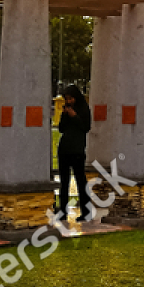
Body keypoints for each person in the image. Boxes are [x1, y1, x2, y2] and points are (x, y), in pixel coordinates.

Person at [55, 84, 93, 223]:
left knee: (80, 181)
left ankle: (86, 212)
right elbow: (61, 129)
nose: (69, 101)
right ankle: (63, 212)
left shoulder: (83, 109)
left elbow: (86, 127)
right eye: (67, 99)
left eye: (71, 98)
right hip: (64, 149)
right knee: (63, 182)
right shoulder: (66, 110)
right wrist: (65, 116)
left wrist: (75, 116)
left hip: (77, 150)